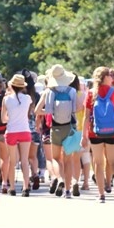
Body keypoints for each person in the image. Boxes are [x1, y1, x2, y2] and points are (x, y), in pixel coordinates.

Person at [82, 66, 114, 203]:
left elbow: (86, 117)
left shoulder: (91, 93)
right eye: (110, 75)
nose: (112, 78)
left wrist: (83, 136)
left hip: (95, 133)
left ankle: (101, 194)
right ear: (105, 78)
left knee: (98, 163)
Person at [35, 64, 81, 198]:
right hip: (70, 127)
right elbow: (77, 109)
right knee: (68, 161)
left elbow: (39, 110)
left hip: (55, 128)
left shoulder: (49, 92)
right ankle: (67, 191)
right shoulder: (72, 91)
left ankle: (59, 179)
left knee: (55, 158)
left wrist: (52, 111)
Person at [2, 74, 34, 196]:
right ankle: (26, 187)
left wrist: (10, 117)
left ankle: (12, 188)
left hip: (11, 131)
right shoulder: (27, 98)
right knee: (24, 161)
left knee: (12, 161)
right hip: (25, 130)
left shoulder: (6, 99)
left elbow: (3, 119)